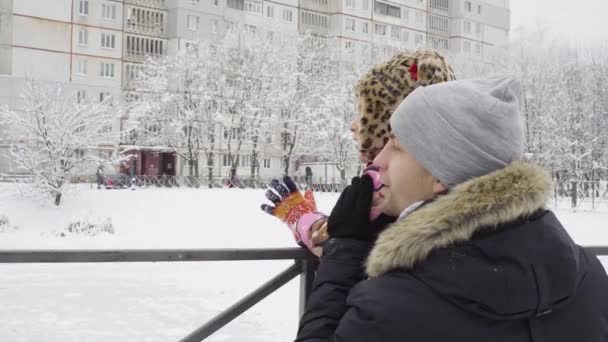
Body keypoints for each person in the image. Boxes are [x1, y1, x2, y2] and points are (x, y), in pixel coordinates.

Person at [295, 76, 608, 341]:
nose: (379, 161)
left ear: (440, 175)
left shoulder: (392, 307)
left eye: (399, 147)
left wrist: (345, 252)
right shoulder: (589, 275)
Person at [260, 50, 455, 256]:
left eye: (364, 114)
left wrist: (303, 220)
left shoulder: (379, 189)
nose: (352, 125)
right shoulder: (434, 180)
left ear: (387, 123)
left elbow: (335, 246)